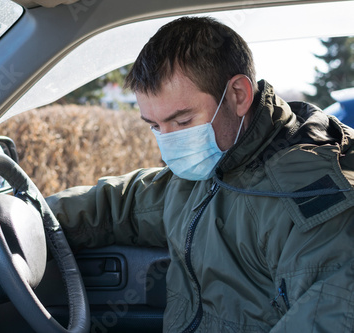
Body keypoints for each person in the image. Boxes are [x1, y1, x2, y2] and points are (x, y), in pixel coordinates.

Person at [46, 16, 354, 332]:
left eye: (182, 122)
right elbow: (119, 205)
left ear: (238, 95)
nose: (167, 142)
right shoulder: (213, 164)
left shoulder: (315, 201)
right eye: (155, 126)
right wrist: (31, 218)